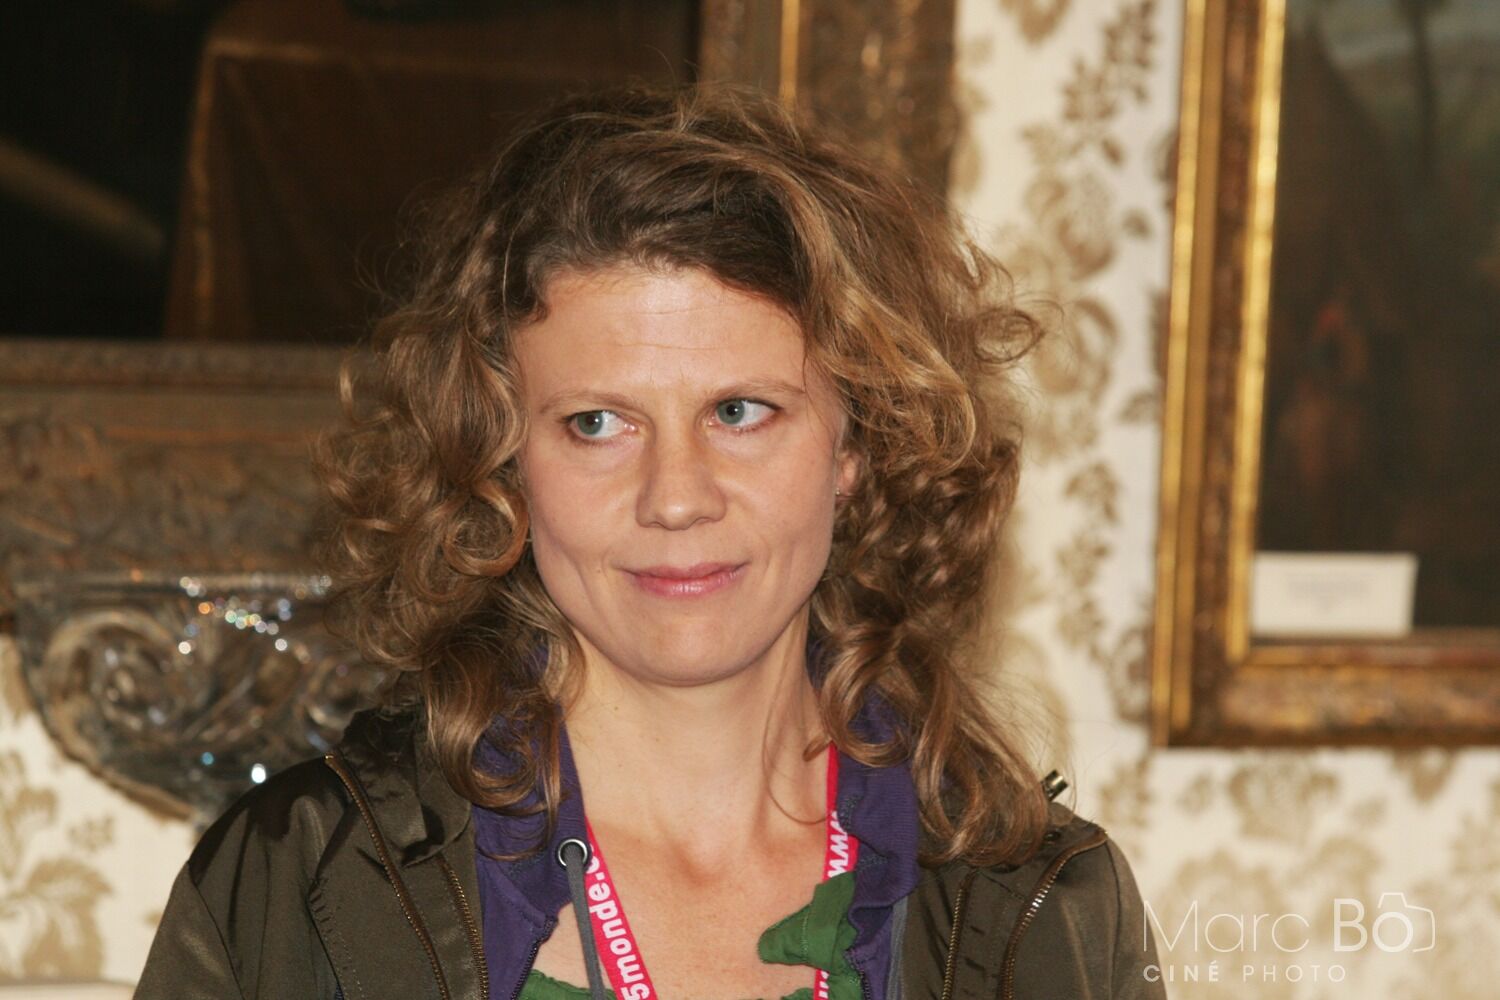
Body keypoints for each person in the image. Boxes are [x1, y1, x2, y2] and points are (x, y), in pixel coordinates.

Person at [134, 83, 1166, 1000]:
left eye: (741, 412)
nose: (676, 498)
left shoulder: (1041, 909)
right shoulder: (300, 886)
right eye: (597, 423)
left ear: (859, 444)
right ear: (503, 463)